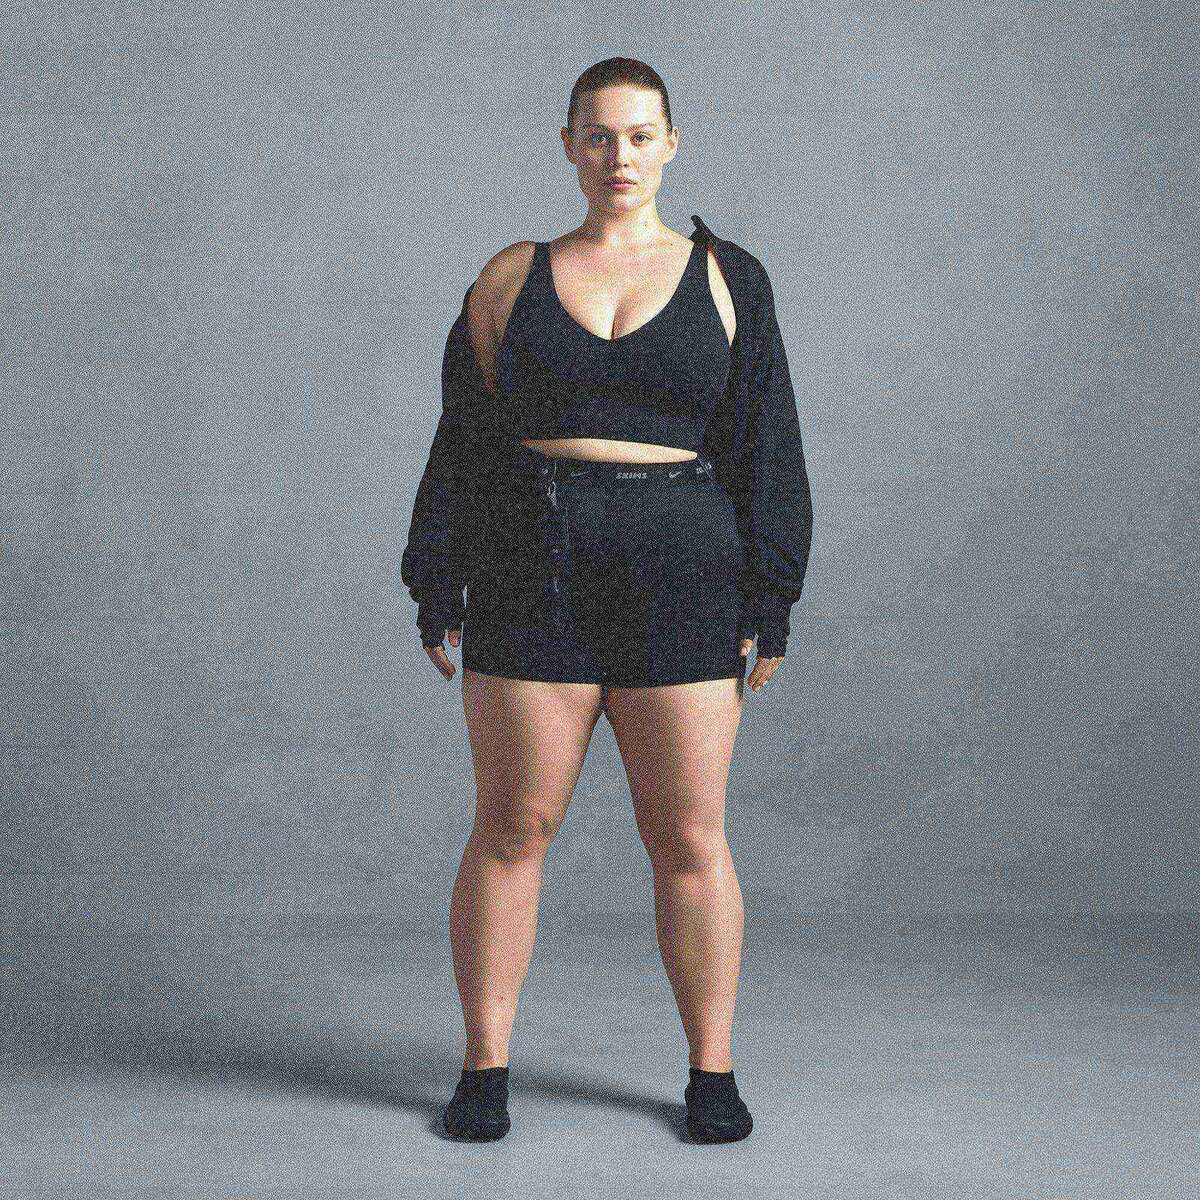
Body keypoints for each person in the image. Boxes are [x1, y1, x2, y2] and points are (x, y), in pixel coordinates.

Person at [401, 57, 813, 1144]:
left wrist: (772, 598)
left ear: (671, 143)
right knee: (511, 825)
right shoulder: (509, 278)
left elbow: (768, 444)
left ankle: (712, 1073)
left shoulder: (729, 278)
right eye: (597, 136)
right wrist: (435, 576)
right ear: (568, 145)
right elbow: (463, 437)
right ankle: (484, 1069)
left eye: (638, 136)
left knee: (688, 836)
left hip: (684, 573)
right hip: (531, 566)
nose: (618, 157)